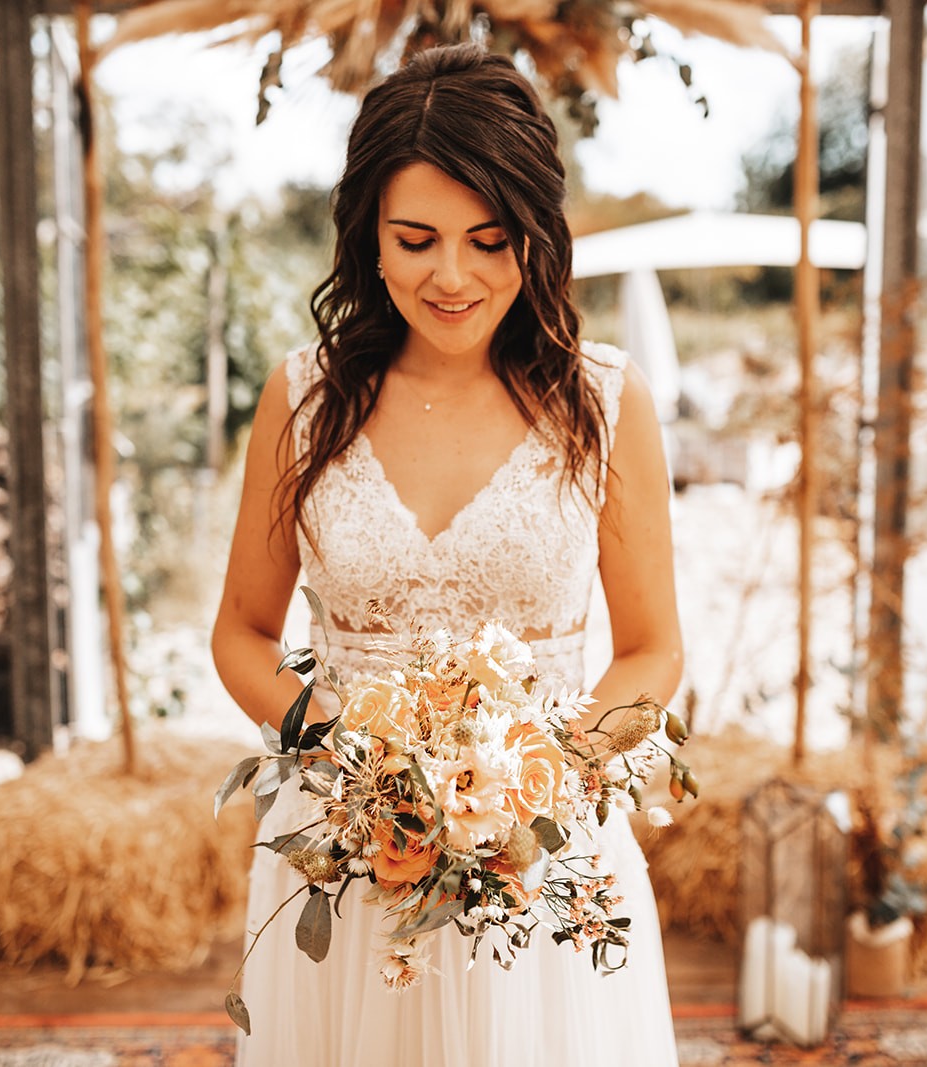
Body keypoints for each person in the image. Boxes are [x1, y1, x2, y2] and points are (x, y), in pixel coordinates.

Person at [212, 41, 683, 1067]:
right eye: (416, 238)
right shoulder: (303, 399)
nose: (454, 275)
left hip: (541, 850)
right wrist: (346, 752)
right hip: (346, 840)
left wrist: (540, 782)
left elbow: (651, 651)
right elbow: (242, 632)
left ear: (535, 234)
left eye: (489, 238)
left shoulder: (604, 402)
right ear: (367, 237)